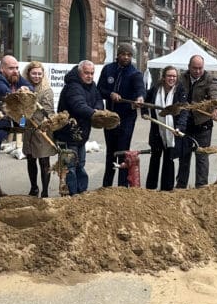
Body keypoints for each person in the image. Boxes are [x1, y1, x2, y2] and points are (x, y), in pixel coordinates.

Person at [0, 55, 31, 202]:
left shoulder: (13, 77)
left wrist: (26, 88)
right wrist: (23, 93)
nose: (15, 71)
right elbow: (14, 100)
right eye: (11, 68)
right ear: (2, 69)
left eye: (17, 67)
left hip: (1, 127)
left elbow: (30, 87)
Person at [97, 43, 145, 187]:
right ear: (118, 55)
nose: (126, 57)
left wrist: (140, 98)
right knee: (110, 152)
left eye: (129, 55)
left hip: (126, 119)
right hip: (110, 118)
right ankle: (107, 185)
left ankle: (122, 186)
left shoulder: (135, 73)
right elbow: (99, 89)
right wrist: (110, 94)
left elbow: (140, 90)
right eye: (123, 54)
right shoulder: (108, 69)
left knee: (123, 152)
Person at [55, 60, 104, 195]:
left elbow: (99, 100)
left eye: (92, 73)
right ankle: (73, 194)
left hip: (81, 135)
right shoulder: (73, 87)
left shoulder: (92, 86)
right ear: (79, 72)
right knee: (69, 167)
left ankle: (81, 193)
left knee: (80, 165)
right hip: (67, 135)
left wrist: (99, 110)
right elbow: (78, 106)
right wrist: (94, 113)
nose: (89, 76)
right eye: (86, 73)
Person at [175, 54, 217, 188]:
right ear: (189, 67)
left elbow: (216, 95)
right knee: (184, 156)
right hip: (185, 123)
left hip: (203, 124)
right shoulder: (181, 78)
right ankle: (181, 185)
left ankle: (201, 186)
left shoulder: (210, 79)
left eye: (200, 68)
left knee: (202, 156)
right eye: (194, 68)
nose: (197, 71)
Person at [142, 65, 187, 191]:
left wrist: (180, 127)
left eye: (174, 76)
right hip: (157, 129)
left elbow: (184, 111)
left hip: (172, 131)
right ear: (164, 77)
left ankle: (166, 189)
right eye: (169, 76)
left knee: (169, 159)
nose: (171, 78)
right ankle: (150, 188)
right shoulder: (156, 88)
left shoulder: (180, 91)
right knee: (155, 158)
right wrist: (144, 112)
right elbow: (145, 100)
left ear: (177, 78)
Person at [22, 61, 56, 198]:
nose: (36, 76)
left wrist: (41, 124)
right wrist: (22, 123)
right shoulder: (24, 89)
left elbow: (48, 111)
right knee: (30, 160)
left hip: (42, 130)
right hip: (29, 130)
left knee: (43, 161)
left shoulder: (46, 91)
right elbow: (21, 111)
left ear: (43, 75)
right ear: (29, 74)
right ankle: (34, 188)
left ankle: (45, 191)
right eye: (34, 73)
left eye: (39, 74)